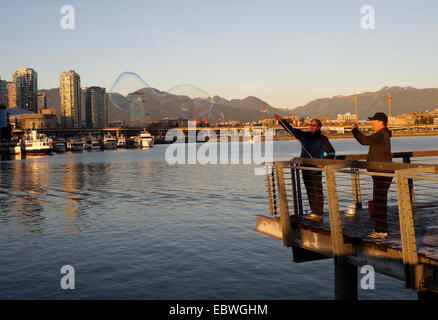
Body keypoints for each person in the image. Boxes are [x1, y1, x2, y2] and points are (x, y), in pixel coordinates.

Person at [275, 115, 335, 222]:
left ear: (319, 127)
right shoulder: (305, 135)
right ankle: (313, 212)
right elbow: (291, 130)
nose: (311, 127)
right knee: (309, 191)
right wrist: (281, 121)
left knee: (317, 192)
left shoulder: (322, 139)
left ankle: (319, 214)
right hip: (305, 168)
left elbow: (331, 152)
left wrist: (323, 162)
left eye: (313, 125)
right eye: (310, 125)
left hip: (316, 170)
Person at [351, 112, 392, 239]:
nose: (372, 123)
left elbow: (364, 140)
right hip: (380, 172)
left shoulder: (381, 134)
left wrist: (354, 130)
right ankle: (380, 229)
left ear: (380, 122)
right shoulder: (382, 134)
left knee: (380, 202)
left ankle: (382, 231)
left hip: (382, 173)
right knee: (379, 202)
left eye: (373, 121)